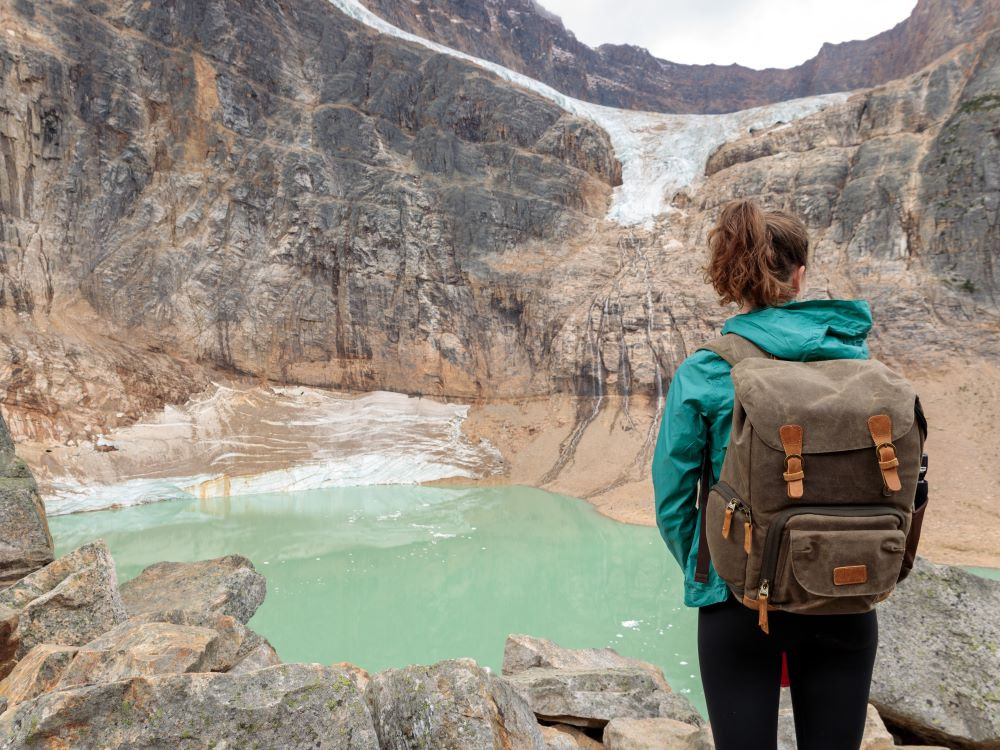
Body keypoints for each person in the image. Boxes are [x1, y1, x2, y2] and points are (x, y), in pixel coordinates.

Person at [652, 198, 878, 750]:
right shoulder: (858, 361)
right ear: (800, 275)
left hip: (738, 599)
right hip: (842, 589)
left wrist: (719, 570)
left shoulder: (707, 367)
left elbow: (674, 498)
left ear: (733, 279)